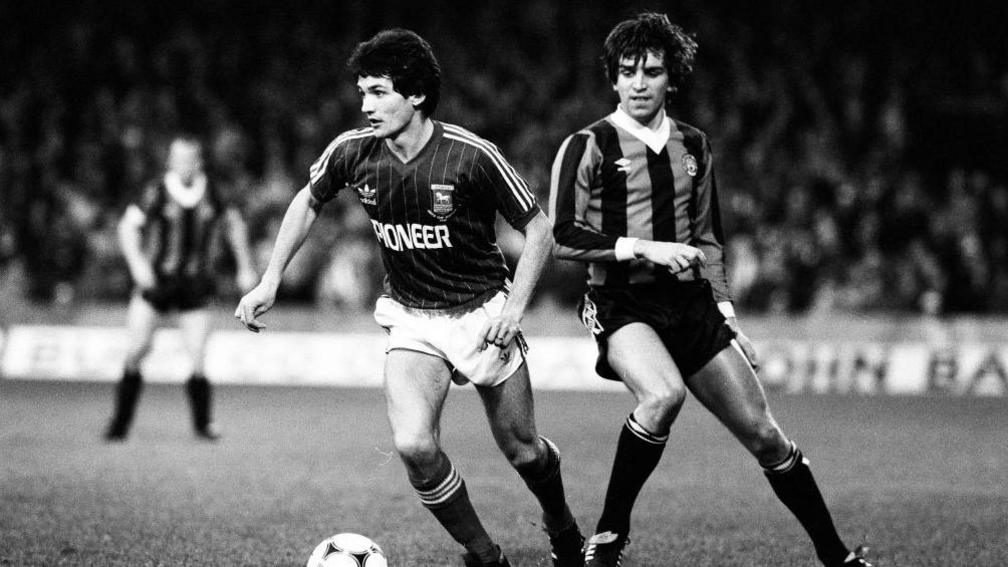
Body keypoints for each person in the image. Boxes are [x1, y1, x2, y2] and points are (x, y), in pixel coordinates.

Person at [235, 29, 584, 567]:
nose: (366, 105)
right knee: (415, 446)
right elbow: (307, 201)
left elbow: (539, 230)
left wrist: (515, 311)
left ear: (416, 94)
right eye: (362, 93)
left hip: (484, 312)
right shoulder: (352, 152)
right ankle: (486, 556)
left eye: (378, 92)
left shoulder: (471, 156)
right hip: (412, 317)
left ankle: (561, 525)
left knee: (525, 451)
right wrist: (269, 279)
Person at [548, 13, 871, 567]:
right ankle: (606, 540)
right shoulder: (587, 145)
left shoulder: (694, 145)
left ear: (672, 77)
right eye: (628, 72)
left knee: (766, 436)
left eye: (652, 71)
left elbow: (709, 240)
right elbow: (563, 235)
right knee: (662, 396)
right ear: (613, 78)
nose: (639, 83)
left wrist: (725, 311)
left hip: (692, 306)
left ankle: (836, 557)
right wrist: (643, 247)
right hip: (621, 303)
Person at [105, 135, 258, 442]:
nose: (182, 164)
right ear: (170, 161)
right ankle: (120, 422)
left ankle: (203, 424)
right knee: (136, 351)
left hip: (194, 286)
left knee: (198, 355)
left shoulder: (213, 192)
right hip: (156, 284)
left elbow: (235, 225)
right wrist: (138, 265)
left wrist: (245, 266)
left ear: (198, 161)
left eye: (188, 158)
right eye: (176, 158)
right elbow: (127, 228)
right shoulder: (156, 191)